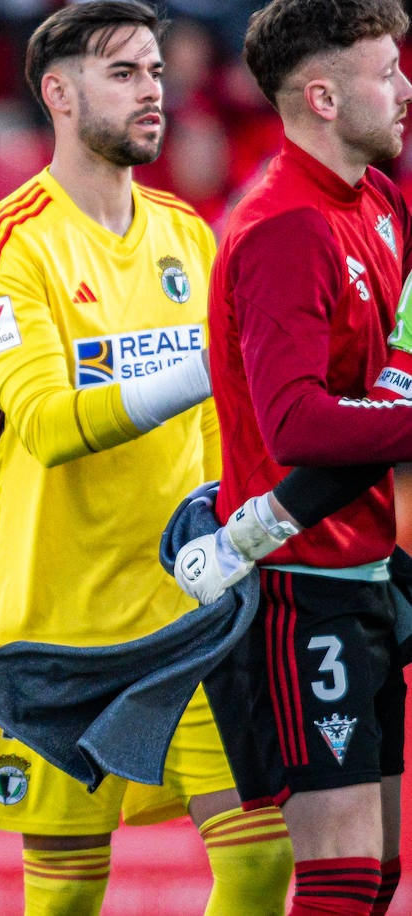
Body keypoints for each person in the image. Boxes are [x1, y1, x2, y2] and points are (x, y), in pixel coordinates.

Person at [0, 3, 293, 913]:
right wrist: (202, 366)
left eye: (154, 71)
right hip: (56, 620)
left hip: (192, 607)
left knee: (261, 863)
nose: (154, 92)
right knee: (66, 895)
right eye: (124, 75)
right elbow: (48, 423)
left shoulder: (189, 231)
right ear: (58, 94)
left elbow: (228, 421)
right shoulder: (4, 245)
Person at [170, 1, 412, 912]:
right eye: (386, 72)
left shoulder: (381, 204)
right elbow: (298, 427)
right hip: (295, 583)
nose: (406, 88)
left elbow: (398, 369)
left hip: (362, 565)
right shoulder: (283, 229)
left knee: (375, 873)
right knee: (341, 878)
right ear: (322, 96)